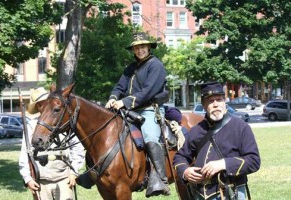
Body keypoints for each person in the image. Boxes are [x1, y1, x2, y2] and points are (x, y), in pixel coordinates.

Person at [105, 32, 170, 196]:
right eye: (136, 47)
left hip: (149, 109)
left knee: (149, 135)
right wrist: (112, 99)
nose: (139, 50)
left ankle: (159, 179)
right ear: (133, 50)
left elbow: (148, 92)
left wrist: (124, 102)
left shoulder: (156, 65)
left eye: (142, 46)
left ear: (148, 47)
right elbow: (119, 87)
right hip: (129, 111)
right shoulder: (130, 68)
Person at [173, 82, 261, 200]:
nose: (215, 105)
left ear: (224, 102)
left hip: (230, 192)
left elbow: (253, 161)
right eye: (210, 101)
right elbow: (180, 156)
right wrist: (185, 171)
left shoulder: (241, 127)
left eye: (219, 100)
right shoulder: (196, 130)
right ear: (204, 105)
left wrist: (223, 164)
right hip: (199, 194)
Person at [19, 87, 85, 200]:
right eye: (40, 104)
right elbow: (25, 152)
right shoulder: (31, 126)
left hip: (64, 179)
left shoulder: (63, 122)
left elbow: (77, 147)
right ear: (38, 107)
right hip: (41, 181)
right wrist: (28, 178)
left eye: (45, 102)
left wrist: (74, 171)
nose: (43, 106)